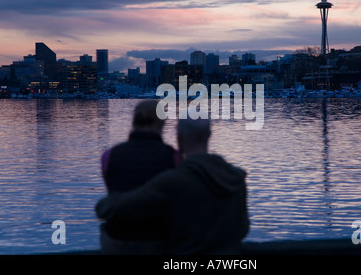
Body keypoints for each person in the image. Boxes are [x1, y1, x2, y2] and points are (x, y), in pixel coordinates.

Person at [96, 118, 250, 255]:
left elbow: (112, 207)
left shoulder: (174, 180)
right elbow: (243, 229)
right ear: (209, 135)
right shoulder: (236, 178)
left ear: (179, 138)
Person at [99, 99, 181, 254]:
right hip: (158, 241)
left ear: (134, 122)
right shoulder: (174, 157)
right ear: (161, 123)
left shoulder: (109, 156)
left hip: (117, 240)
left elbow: (113, 189)